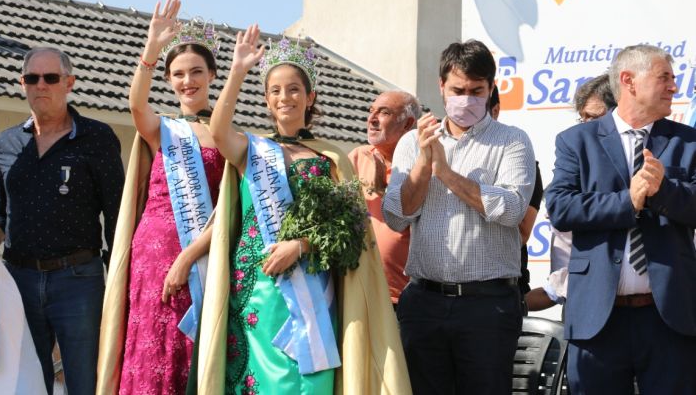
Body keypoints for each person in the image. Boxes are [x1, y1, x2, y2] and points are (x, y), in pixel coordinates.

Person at [198, 28, 411, 394]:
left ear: (310, 97)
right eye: (276, 91)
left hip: (311, 288)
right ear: (266, 100)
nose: (285, 98)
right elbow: (218, 131)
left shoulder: (329, 158)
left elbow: (349, 230)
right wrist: (236, 71)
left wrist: (300, 246)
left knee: (309, 379)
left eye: (294, 89)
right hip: (257, 286)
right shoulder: (250, 150)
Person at [383, 40, 536, 395]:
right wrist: (424, 162)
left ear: (491, 89)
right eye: (457, 90)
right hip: (424, 301)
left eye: (476, 91)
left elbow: (512, 209)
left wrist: (448, 174)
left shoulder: (512, 142)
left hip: (488, 306)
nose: (466, 99)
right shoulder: (412, 142)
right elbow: (396, 216)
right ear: (441, 87)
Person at [546, 45, 696, 394]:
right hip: (598, 319)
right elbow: (561, 206)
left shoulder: (688, 142)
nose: (674, 86)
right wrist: (627, 201)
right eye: (664, 78)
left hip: (668, 318)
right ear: (628, 81)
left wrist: (663, 190)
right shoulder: (576, 141)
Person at [96, 0, 225, 395]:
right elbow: (136, 104)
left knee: (191, 348)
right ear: (168, 79)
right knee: (149, 346)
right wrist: (151, 50)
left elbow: (227, 209)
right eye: (179, 74)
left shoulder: (227, 135)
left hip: (201, 253)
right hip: (152, 251)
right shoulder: (161, 129)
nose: (188, 81)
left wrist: (189, 255)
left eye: (196, 72)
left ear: (213, 74)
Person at [0, 46, 125, 395]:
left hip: (78, 281)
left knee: (84, 383)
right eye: (32, 78)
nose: (41, 85)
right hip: (18, 279)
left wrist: (120, 279)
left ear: (69, 83)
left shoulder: (97, 138)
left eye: (50, 78)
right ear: (22, 84)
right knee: (25, 384)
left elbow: (117, 215)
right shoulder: (6, 144)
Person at [526, 73, 616, 311]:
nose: (585, 128)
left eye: (594, 118)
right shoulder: (569, 175)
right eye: (582, 119)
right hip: (583, 311)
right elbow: (558, 288)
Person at [348, 91, 420, 308]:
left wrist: (384, 189)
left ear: (407, 124)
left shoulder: (422, 166)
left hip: (403, 299)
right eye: (371, 111)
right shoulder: (358, 157)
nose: (372, 119)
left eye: (384, 112)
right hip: (358, 294)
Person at [487, 87, 543, 310]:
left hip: (501, 290)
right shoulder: (443, 154)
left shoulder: (522, 163)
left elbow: (520, 234)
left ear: (495, 110)